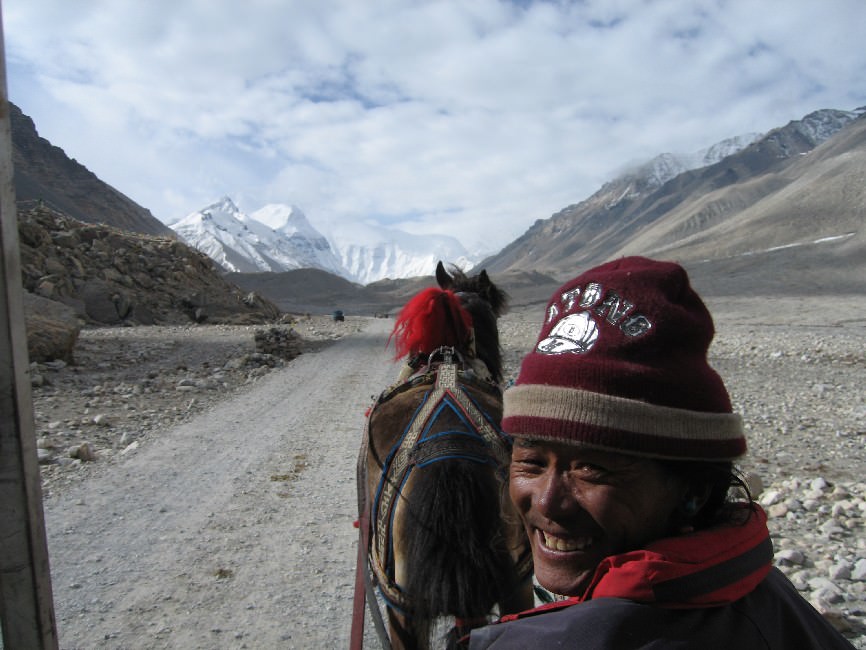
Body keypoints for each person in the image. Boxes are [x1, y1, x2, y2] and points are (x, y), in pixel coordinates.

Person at [467, 256, 854, 649]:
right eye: (531, 461)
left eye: (591, 469)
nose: (549, 502)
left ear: (693, 490)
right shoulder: (769, 595)